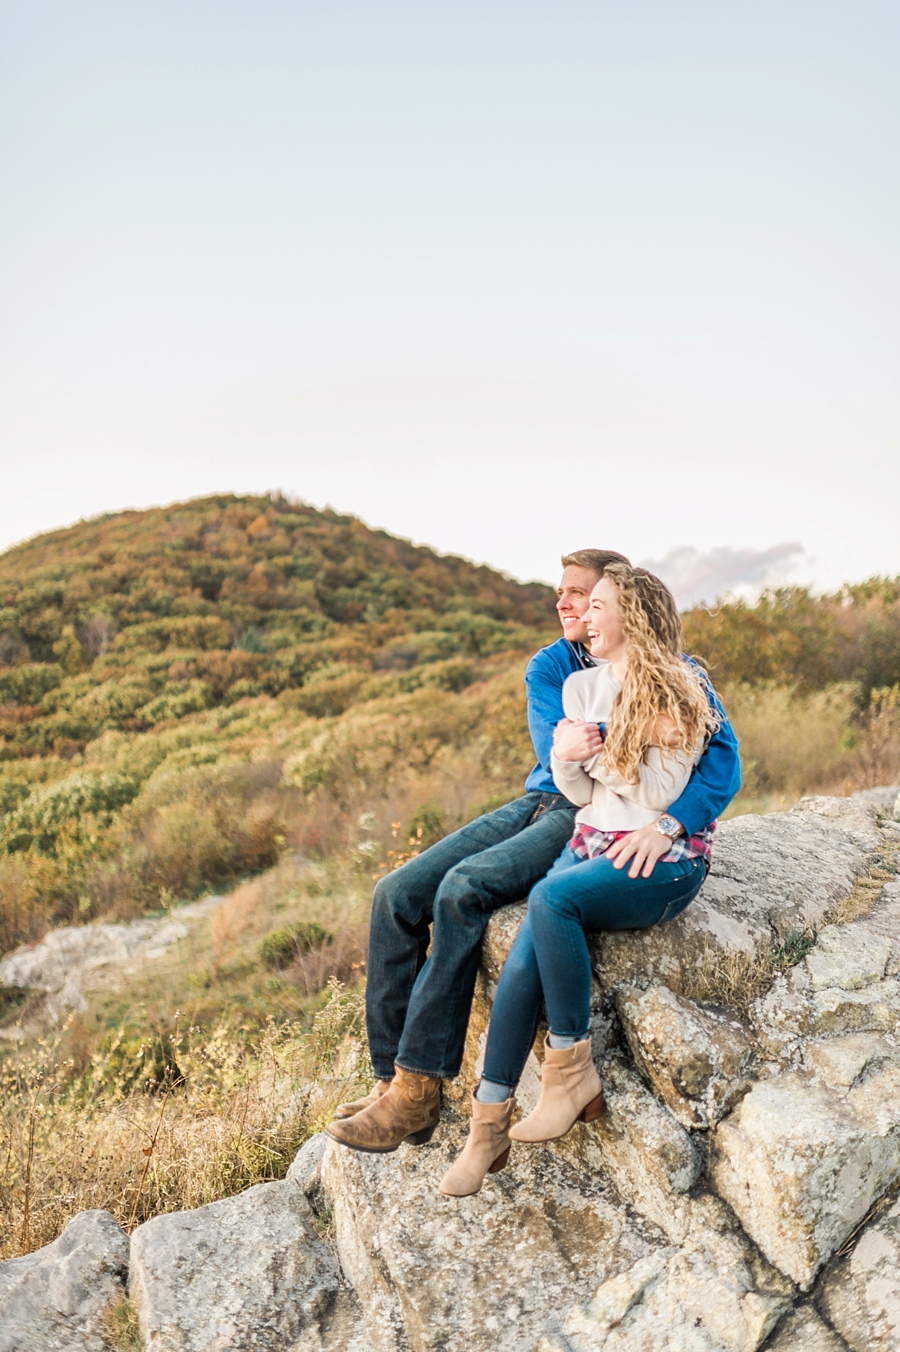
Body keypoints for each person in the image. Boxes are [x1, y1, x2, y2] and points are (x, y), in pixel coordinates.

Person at [326, 551, 740, 1156]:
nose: (567, 604)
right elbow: (561, 752)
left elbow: (721, 762)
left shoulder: (676, 670)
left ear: (622, 601)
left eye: (584, 594)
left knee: (463, 890)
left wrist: (674, 824)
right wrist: (634, 730)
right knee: (394, 894)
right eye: (565, 593)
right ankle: (393, 1080)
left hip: (589, 811)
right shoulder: (553, 666)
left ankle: (420, 1086)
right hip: (548, 795)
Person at [439, 563, 734, 1197]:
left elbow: (660, 792)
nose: (582, 618)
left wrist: (604, 747)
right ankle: (486, 1126)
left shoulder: (681, 689)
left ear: (633, 615)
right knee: (521, 960)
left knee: (551, 897)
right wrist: (567, 760)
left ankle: (571, 1068)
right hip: (594, 834)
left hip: (663, 854)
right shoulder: (579, 687)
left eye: (597, 606)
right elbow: (579, 791)